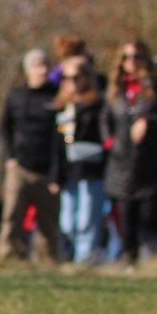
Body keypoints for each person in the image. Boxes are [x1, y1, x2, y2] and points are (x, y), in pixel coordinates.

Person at [101, 39, 157, 270]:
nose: (132, 62)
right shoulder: (116, 88)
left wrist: (148, 122)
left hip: (150, 162)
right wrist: (110, 143)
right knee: (126, 215)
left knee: (149, 214)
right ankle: (129, 260)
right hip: (121, 162)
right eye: (127, 57)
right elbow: (105, 119)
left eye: (137, 57)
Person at [0, 48, 59, 263]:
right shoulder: (16, 96)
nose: (43, 70)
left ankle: (50, 261)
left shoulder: (56, 96)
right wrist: (9, 158)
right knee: (12, 215)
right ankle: (8, 259)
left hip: (47, 170)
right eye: (38, 66)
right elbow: (4, 129)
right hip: (19, 167)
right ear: (28, 69)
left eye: (45, 65)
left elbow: (63, 135)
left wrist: (57, 171)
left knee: (49, 220)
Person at [49, 59, 107, 265]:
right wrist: (55, 176)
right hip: (68, 172)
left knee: (86, 220)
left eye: (76, 77)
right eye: (65, 78)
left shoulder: (97, 106)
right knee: (67, 221)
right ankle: (70, 259)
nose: (71, 82)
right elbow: (57, 146)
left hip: (91, 170)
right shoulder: (62, 108)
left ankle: (86, 260)